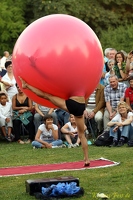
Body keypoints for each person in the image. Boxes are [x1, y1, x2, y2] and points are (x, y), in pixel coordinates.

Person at [19, 77, 90, 167]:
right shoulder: (84, 84)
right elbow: (86, 97)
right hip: (81, 106)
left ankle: (27, 86)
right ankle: (86, 159)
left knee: (47, 96)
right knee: (82, 136)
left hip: (73, 104)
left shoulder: (72, 82)